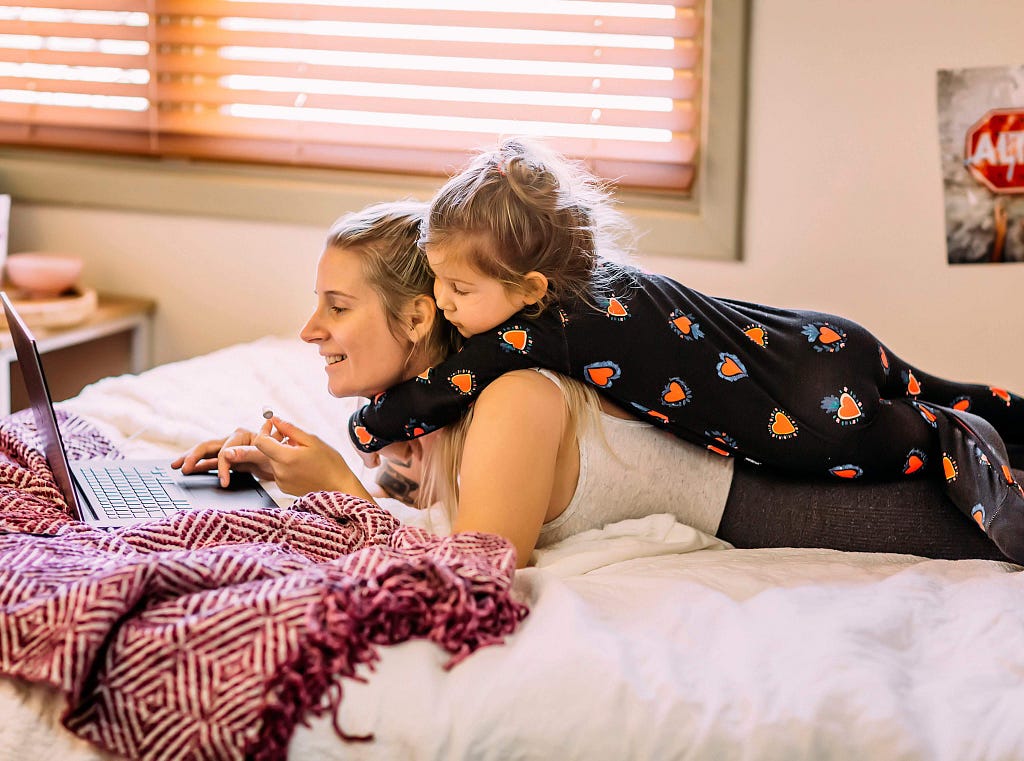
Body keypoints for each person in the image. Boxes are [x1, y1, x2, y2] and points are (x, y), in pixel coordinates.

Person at [174, 200, 1021, 568]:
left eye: (335, 305)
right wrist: (286, 475)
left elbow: (474, 564)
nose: (308, 330)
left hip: (833, 504)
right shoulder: (439, 410)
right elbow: (420, 507)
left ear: (420, 320)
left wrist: (331, 486)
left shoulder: (513, 397)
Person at [346, 138, 1024, 563]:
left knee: (937, 438)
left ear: (530, 287)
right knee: (960, 393)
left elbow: (445, 388)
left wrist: (366, 428)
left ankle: (967, 436)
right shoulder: (585, 288)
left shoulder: (547, 329)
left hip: (822, 402)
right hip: (815, 343)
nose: (445, 301)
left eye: (459, 286)